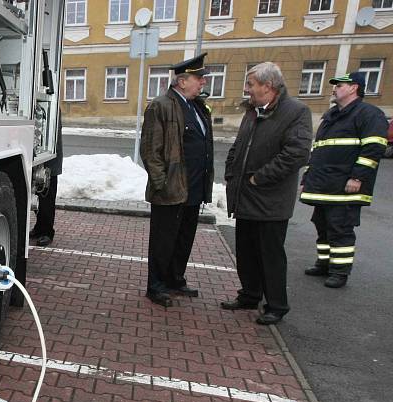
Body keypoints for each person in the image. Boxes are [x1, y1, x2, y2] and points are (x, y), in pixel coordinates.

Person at [222, 62, 312, 325]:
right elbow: (238, 146)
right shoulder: (252, 111)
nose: (247, 89)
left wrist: (259, 177)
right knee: (247, 251)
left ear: (268, 86)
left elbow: (296, 154)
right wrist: (231, 172)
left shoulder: (296, 112)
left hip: (270, 200)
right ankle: (249, 295)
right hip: (245, 196)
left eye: (251, 84)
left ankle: (276, 305)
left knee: (270, 255)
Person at [299, 72, 389, 288]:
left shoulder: (368, 114)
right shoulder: (332, 116)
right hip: (324, 185)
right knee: (322, 225)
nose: (335, 88)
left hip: (345, 186)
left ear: (354, 88)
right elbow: (319, 149)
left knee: (340, 228)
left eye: (340, 85)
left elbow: (374, 148)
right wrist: (308, 176)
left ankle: (340, 271)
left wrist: (357, 177)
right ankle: (324, 263)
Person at [140, 53, 214, 307]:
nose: (202, 82)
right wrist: (161, 183)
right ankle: (156, 285)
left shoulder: (197, 106)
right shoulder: (162, 105)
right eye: (198, 78)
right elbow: (150, 149)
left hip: (193, 188)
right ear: (182, 81)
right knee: (163, 240)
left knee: (184, 238)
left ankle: (175, 279)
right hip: (170, 189)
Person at [30, 111, 63, 247]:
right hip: (39, 162)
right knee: (38, 197)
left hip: (49, 162)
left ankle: (47, 232)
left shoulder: (51, 110)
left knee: (46, 199)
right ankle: (39, 227)